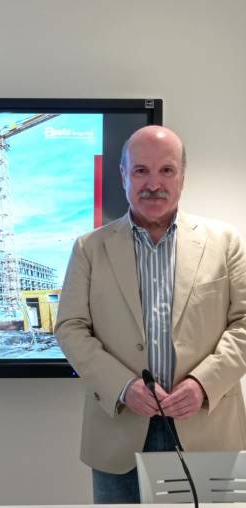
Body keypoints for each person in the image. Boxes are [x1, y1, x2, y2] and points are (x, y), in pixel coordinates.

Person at [55, 125, 246, 503]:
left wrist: (203, 383)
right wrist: (123, 386)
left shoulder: (225, 243)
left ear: (182, 177)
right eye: (141, 170)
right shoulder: (89, 248)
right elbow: (70, 328)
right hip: (118, 430)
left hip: (207, 426)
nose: (153, 183)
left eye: (166, 170)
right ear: (123, 175)